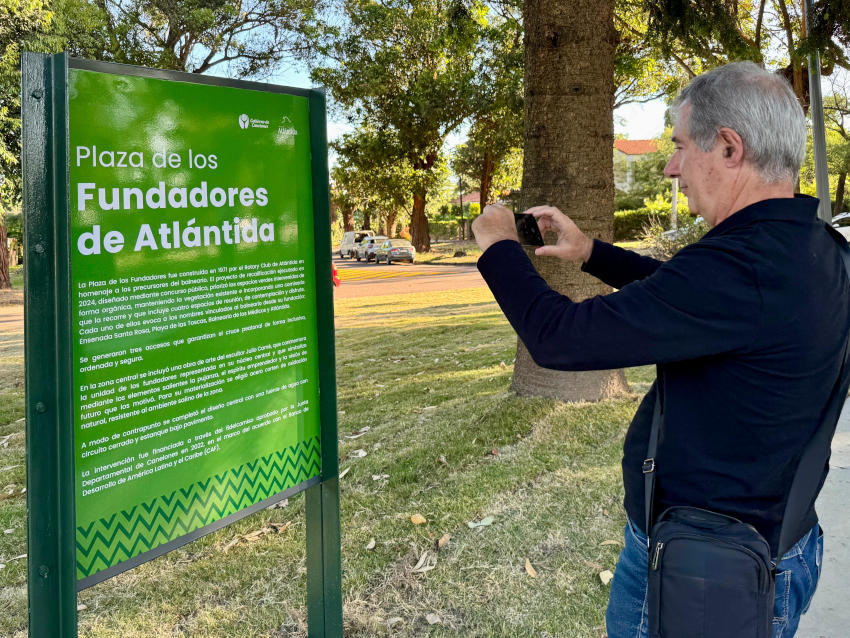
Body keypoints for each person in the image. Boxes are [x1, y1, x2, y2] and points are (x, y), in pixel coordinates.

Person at [471, 61, 850, 638]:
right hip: (777, 544)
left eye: (679, 147)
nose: (672, 168)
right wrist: (592, 252)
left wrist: (499, 246)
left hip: (706, 572)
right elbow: (690, 298)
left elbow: (558, 338)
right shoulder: (814, 246)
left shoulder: (737, 267)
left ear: (728, 148)